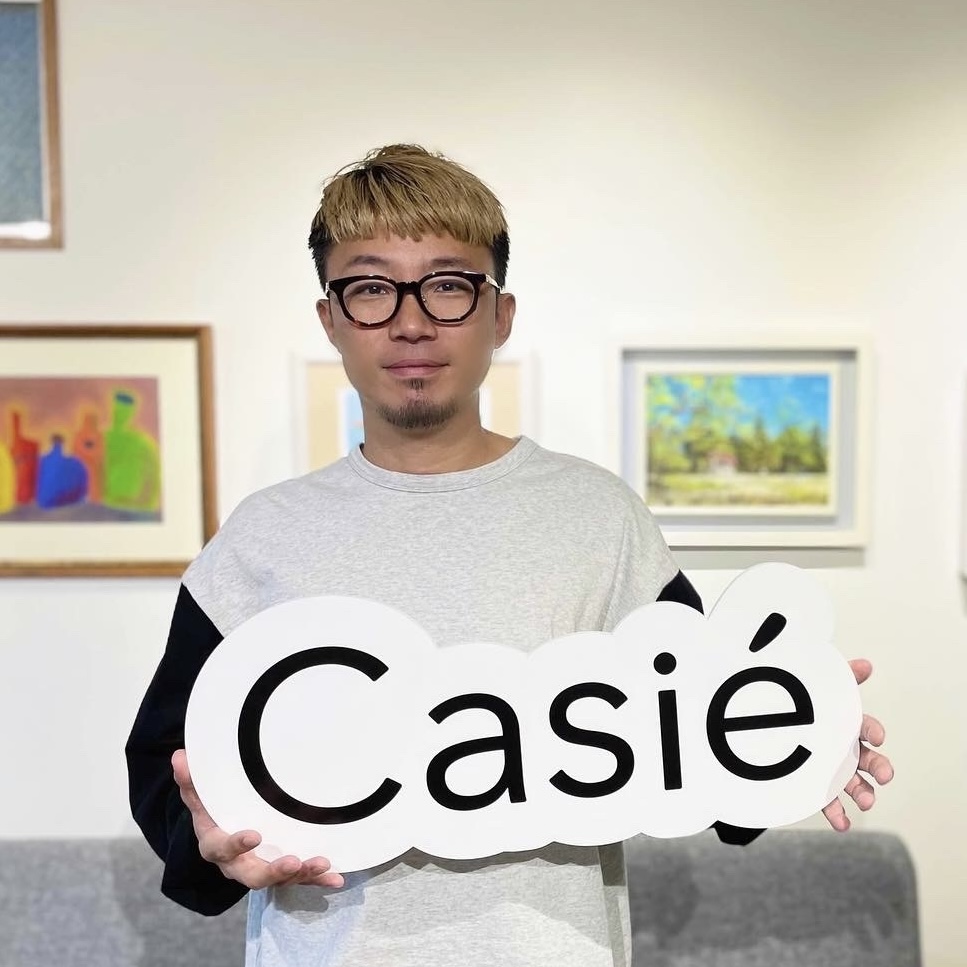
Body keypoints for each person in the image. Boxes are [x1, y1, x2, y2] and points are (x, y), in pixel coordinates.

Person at [125, 144, 893, 967]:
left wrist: (800, 733)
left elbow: (693, 737)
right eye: (371, 288)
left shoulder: (598, 518)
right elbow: (166, 772)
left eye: (448, 285)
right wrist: (211, 847)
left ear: (500, 315)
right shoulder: (261, 537)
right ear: (331, 319)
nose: (411, 322)